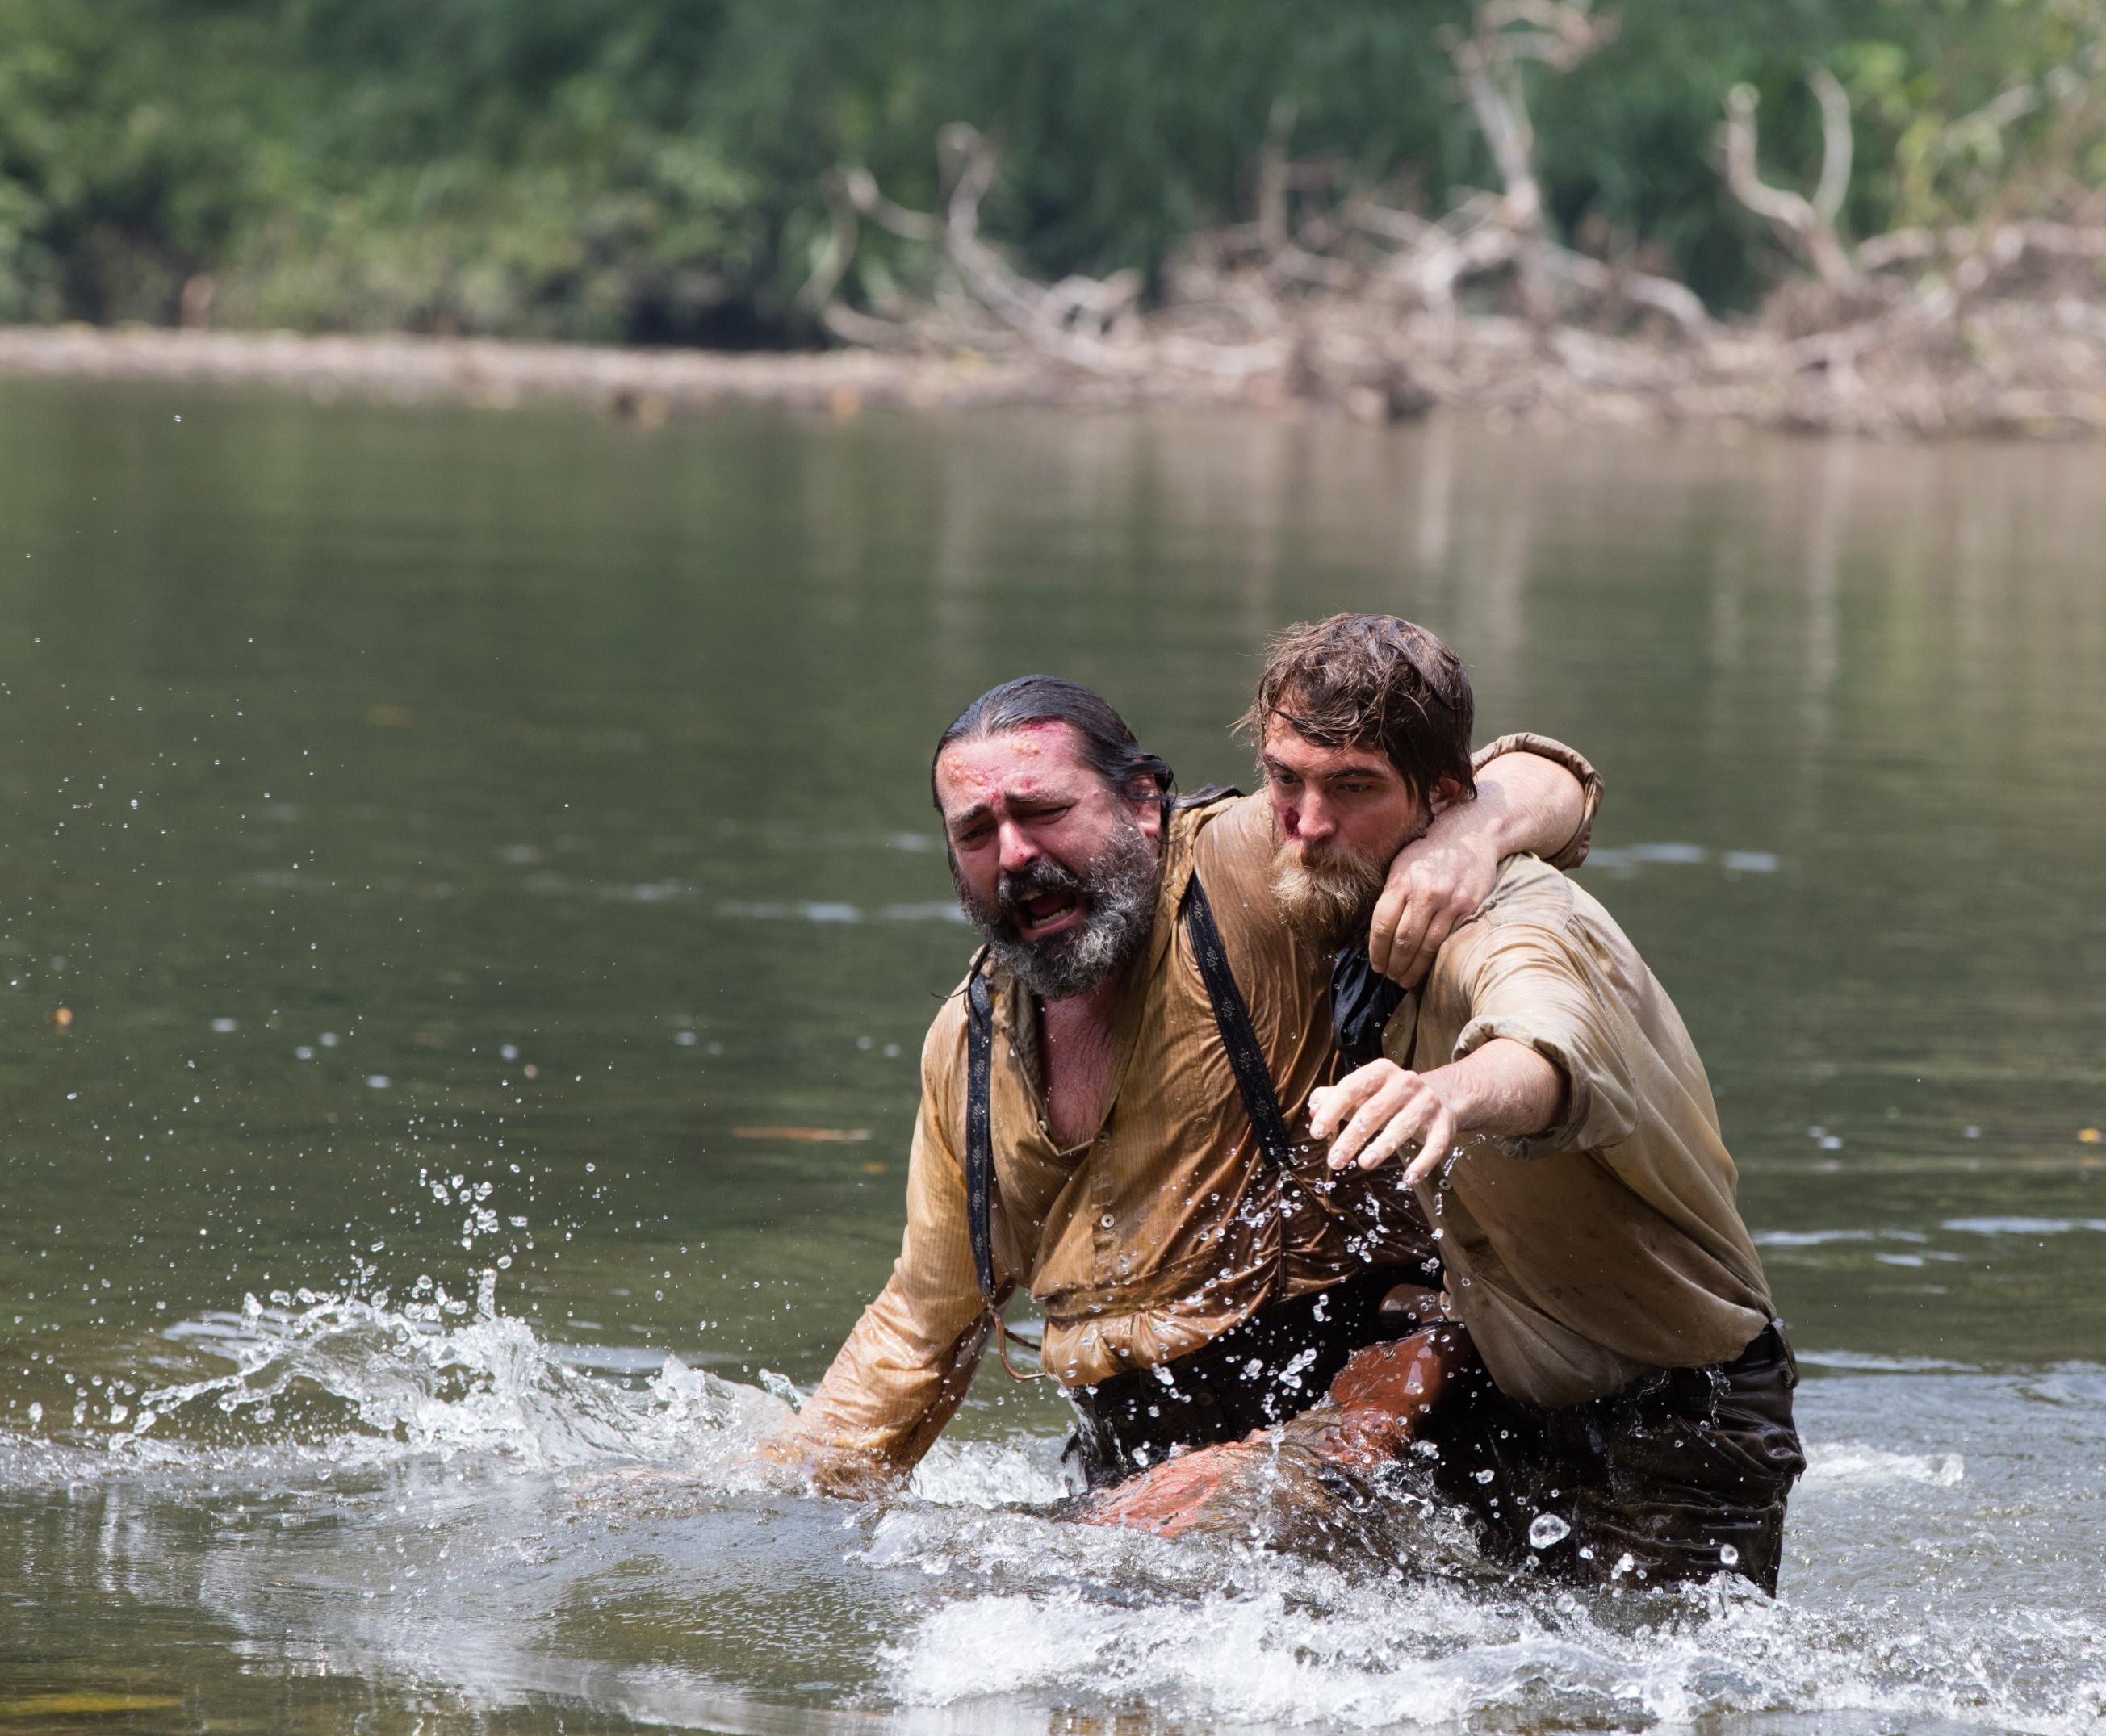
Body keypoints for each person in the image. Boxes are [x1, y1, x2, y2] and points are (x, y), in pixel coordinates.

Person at [765, 672, 1599, 1491]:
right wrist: (763, 1499)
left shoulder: (1244, 870)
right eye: (976, 831)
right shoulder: (969, 1044)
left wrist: (1467, 837)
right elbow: (921, 1323)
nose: (1015, 854)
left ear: (1142, 804)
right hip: (1132, 1474)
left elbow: (1549, 780)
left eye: (1045, 812)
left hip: (1378, 1420)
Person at [1257, 616, 1804, 1591]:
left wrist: (1444, 1094)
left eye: (1351, 788)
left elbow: (1547, 1052)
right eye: (1285, 779)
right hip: (1511, 1387)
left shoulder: (1509, 926)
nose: (1305, 821)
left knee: (1651, 1724)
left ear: (1443, 797)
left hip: (1686, 1413)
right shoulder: (1342, 882)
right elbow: (1550, 773)